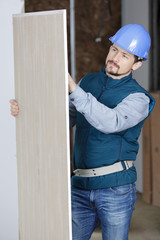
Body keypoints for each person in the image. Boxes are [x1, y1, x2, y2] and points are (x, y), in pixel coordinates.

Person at [11, 24, 155, 240]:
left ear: (137, 64)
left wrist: (74, 89)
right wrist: (25, 111)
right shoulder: (88, 81)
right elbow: (61, 120)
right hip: (79, 186)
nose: (115, 57)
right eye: (114, 49)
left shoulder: (139, 98)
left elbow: (111, 121)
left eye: (125, 55)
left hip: (116, 188)